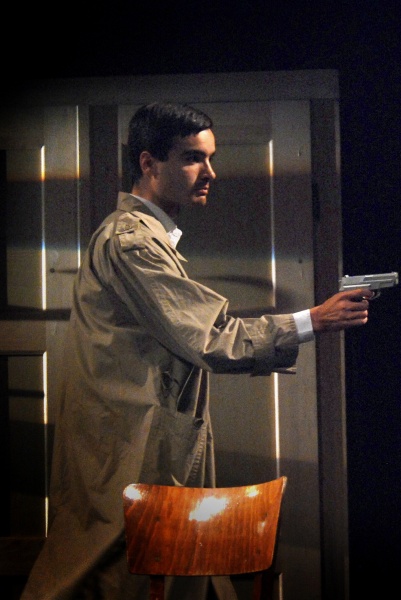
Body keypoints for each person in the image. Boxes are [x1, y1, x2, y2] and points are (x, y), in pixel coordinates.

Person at [21, 102, 374, 600]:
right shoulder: (132, 243)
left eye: (210, 158)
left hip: (140, 447)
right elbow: (211, 337)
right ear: (148, 163)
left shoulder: (146, 238)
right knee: (119, 576)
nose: (210, 172)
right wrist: (314, 320)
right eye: (192, 158)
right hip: (128, 452)